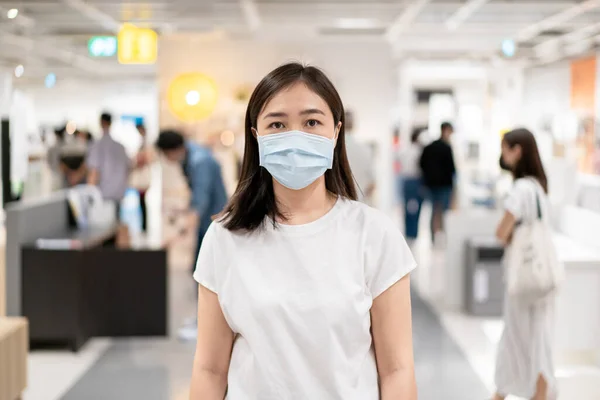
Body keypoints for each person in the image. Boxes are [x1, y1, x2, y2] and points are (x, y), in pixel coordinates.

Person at [189, 63, 417, 400]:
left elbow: (397, 369)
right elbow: (210, 369)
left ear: (336, 132)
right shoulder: (225, 237)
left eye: (311, 122)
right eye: (277, 124)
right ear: (256, 135)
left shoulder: (374, 235)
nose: (295, 137)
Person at [494, 128, 556, 400]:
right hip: (543, 275)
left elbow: (501, 232)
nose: (503, 155)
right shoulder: (540, 187)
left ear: (517, 150)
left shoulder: (519, 189)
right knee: (540, 342)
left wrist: (507, 235)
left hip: (522, 276)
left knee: (515, 339)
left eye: (506, 148)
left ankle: (501, 393)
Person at [87, 112, 131, 217]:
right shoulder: (120, 146)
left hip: (103, 194)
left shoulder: (97, 146)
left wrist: (89, 195)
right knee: (116, 221)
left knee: (105, 226)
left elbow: (94, 172)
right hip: (118, 192)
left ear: (101, 123)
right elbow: (128, 168)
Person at [419, 121, 456, 243]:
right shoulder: (446, 147)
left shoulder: (429, 147)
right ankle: (444, 238)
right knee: (444, 213)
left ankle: (433, 238)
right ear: (446, 130)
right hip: (444, 186)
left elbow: (421, 164)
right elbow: (452, 168)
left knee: (434, 211)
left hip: (431, 185)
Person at [344, 110, 375, 202]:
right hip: (358, 203)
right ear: (353, 125)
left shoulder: (332, 149)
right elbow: (372, 184)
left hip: (335, 208)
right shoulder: (365, 150)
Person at [400, 129, 425, 242]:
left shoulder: (405, 150)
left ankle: (408, 232)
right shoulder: (419, 151)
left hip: (406, 181)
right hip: (416, 181)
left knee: (408, 208)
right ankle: (413, 233)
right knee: (415, 209)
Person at [131, 123, 152, 232]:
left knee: (142, 201)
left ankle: (144, 226)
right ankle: (143, 225)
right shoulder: (142, 142)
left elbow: (145, 159)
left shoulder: (146, 143)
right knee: (141, 201)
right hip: (142, 175)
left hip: (143, 176)